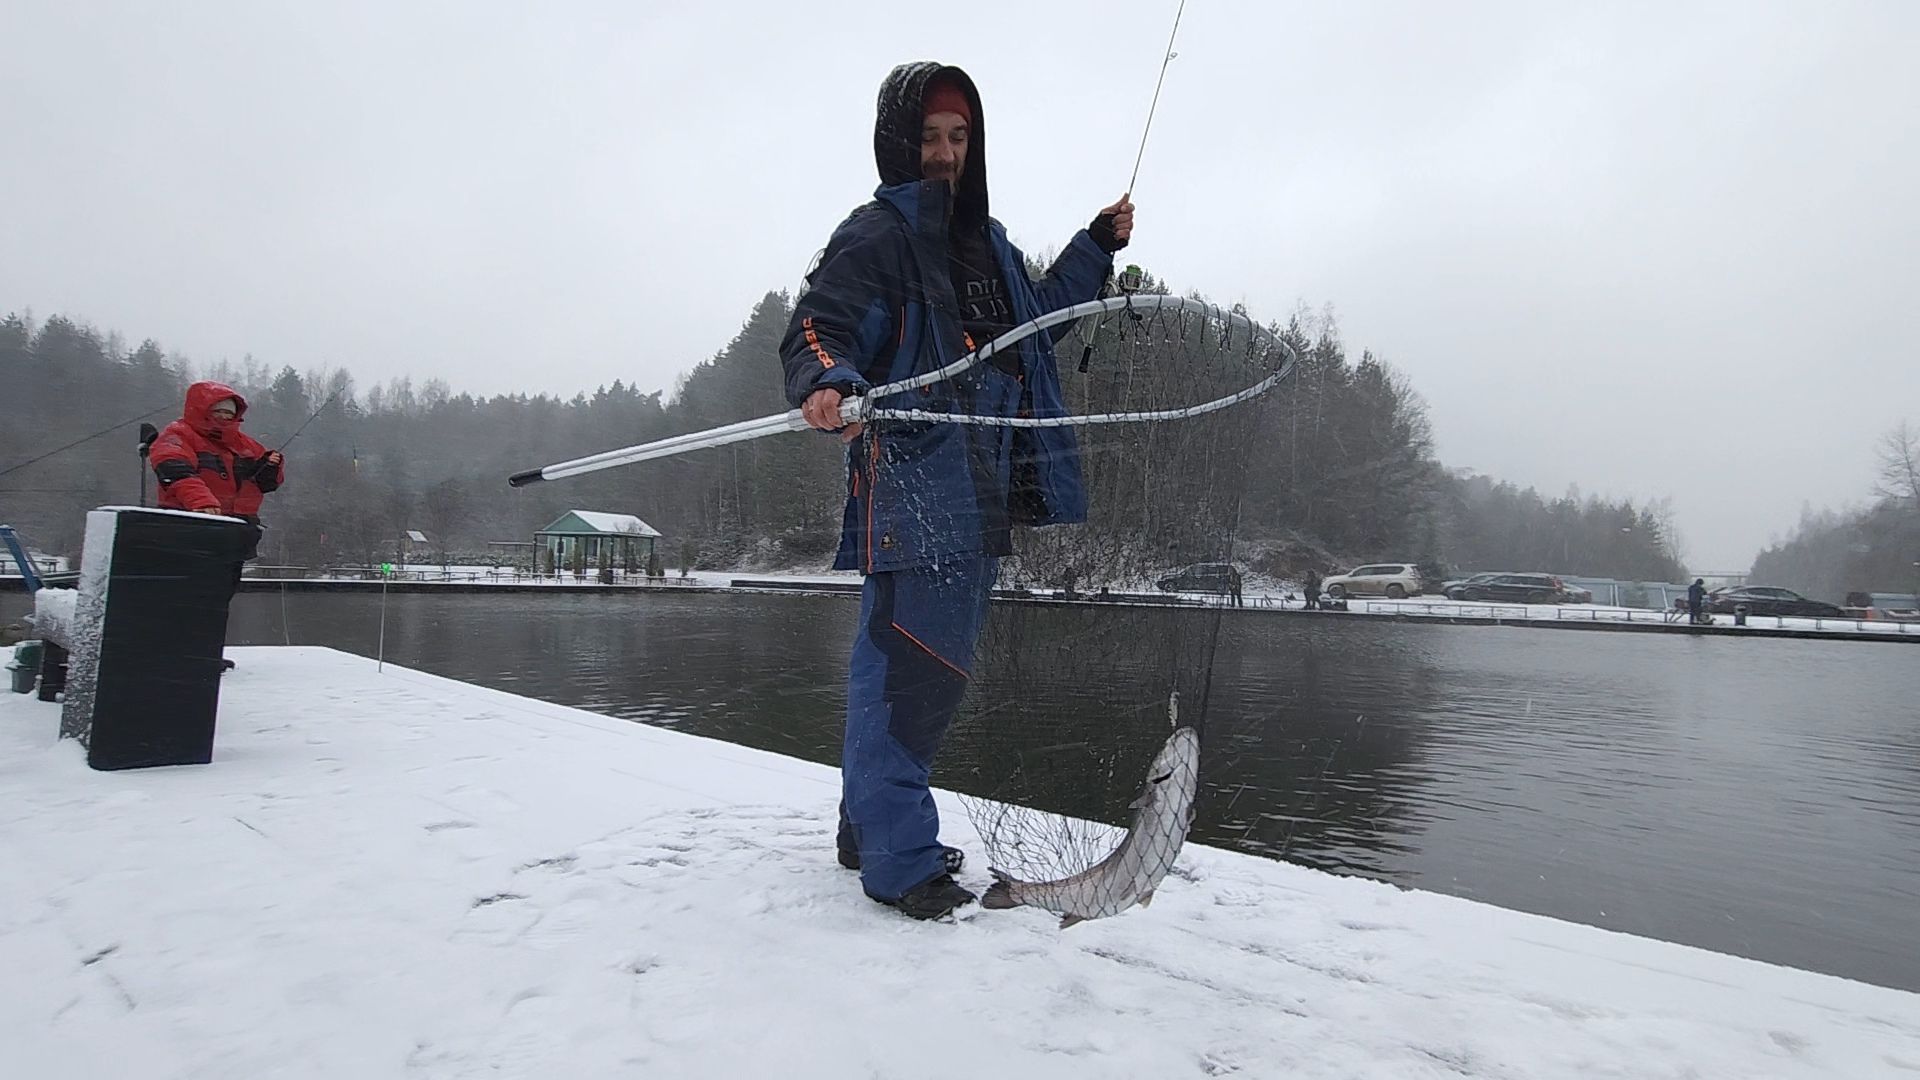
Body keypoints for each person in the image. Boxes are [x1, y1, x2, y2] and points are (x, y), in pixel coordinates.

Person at [780, 62, 1132, 920]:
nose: (945, 153)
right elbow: (817, 327)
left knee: (894, 667)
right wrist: (828, 383)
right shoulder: (876, 234)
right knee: (917, 674)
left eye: (959, 138)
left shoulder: (991, 241)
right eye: (931, 138)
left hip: (975, 484)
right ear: (901, 143)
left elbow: (1037, 323)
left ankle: (870, 831)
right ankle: (899, 862)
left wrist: (1095, 247)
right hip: (913, 478)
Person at [150, 381, 285, 570]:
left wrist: (271, 467)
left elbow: (268, 484)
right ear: (202, 410)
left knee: (219, 591)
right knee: (184, 587)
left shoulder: (246, 445)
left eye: (229, 412)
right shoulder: (178, 435)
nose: (224, 416)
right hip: (188, 526)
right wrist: (201, 502)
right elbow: (174, 468)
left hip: (235, 534)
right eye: (218, 411)